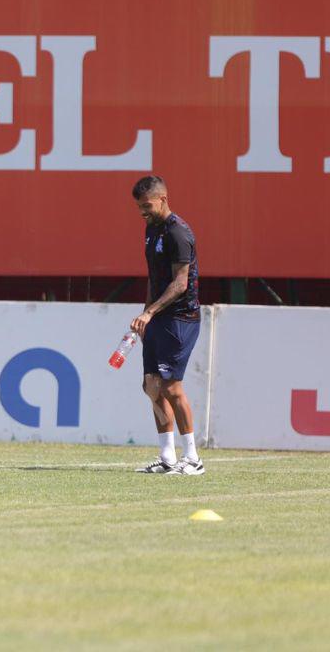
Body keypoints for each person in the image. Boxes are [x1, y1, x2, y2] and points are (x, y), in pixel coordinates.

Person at [129, 175, 205, 475]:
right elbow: (154, 277)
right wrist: (146, 312)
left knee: (172, 387)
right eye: (138, 206)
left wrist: (151, 313)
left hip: (180, 318)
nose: (142, 211)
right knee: (151, 386)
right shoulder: (152, 229)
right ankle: (167, 457)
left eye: (146, 205)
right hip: (158, 317)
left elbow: (180, 284)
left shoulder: (177, 233)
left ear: (163, 198)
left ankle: (193, 458)